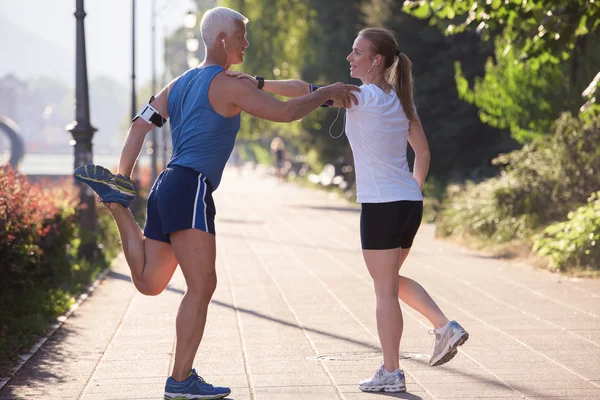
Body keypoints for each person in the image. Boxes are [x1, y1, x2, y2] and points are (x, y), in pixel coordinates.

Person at [72, 6, 357, 400]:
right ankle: (180, 380)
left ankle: (118, 202)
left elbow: (139, 126)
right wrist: (326, 92)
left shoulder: (180, 83)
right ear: (222, 38)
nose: (246, 42)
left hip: (167, 184)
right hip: (190, 187)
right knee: (203, 285)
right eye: (241, 35)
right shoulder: (228, 86)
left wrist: (124, 174)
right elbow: (288, 112)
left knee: (150, 282)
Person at [227, 27, 468, 393]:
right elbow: (424, 154)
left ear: (377, 61)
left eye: (357, 52)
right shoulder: (402, 100)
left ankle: (393, 370)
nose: (349, 58)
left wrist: (260, 83)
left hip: (382, 205)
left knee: (384, 290)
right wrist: (411, 190)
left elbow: (304, 90)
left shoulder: (362, 97)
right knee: (389, 282)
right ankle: (443, 328)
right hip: (407, 204)